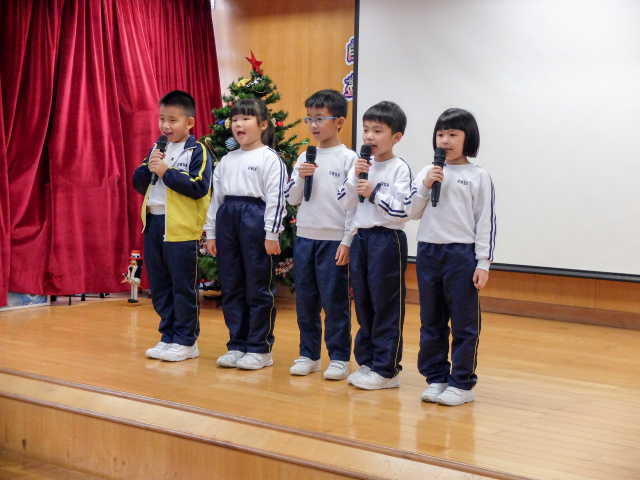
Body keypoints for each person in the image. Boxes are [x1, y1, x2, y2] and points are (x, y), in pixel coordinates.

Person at [404, 108, 496, 406]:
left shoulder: (478, 176)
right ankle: (437, 378)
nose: (445, 140)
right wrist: (425, 185)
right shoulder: (428, 171)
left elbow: (485, 222)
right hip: (428, 252)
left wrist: (483, 262)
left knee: (464, 322)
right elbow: (411, 212)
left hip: (461, 254)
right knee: (431, 320)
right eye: (441, 134)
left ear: (468, 138)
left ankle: (462, 383)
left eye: (453, 134)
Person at [204, 98, 287, 371]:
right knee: (231, 286)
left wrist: (271, 233)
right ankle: (237, 345)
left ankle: (260, 348)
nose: (238, 124)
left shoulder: (270, 158)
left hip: (255, 220)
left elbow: (276, 199)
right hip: (228, 221)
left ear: (262, 125)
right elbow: (215, 200)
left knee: (258, 287)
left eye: (246, 118)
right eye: (235, 119)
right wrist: (211, 233)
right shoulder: (226, 161)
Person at [337, 101, 412, 390]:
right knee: (364, 303)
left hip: (387, 240)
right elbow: (346, 203)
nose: (369, 136)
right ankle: (368, 361)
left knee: (386, 305)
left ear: (396, 137)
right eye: (366, 129)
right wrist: (355, 177)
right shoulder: (360, 165)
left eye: (377, 131)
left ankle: (386, 369)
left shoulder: (399, 168)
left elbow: (402, 211)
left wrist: (373, 193)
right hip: (362, 239)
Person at [132, 90, 212, 362]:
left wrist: (167, 172)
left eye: (172, 120)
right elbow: (139, 184)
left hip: (181, 228)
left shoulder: (198, 150)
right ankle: (168, 336)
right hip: (153, 223)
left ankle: (187, 341)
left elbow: (199, 187)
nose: (165, 126)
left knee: (182, 285)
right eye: (162, 119)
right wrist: (150, 167)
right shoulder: (157, 149)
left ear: (189, 123)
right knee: (160, 285)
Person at [284, 89, 358, 380]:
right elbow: (292, 198)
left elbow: (354, 206)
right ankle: (309, 354)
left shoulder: (349, 158)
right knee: (306, 301)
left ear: (339, 121)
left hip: (334, 240)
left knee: (335, 301)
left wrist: (347, 240)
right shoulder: (305, 157)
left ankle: (338, 357)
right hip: (305, 237)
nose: (313, 125)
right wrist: (301, 177)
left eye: (320, 118)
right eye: (309, 119)